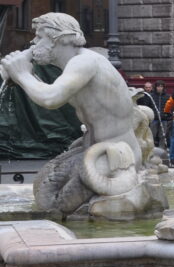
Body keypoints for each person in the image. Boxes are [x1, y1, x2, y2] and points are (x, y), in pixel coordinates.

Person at [0, 12, 143, 166]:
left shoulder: (84, 62)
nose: (33, 42)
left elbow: (50, 99)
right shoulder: (74, 66)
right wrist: (25, 74)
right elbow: (49, 92)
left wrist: (21, 74)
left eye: (40, 37)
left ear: (63, 38)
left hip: (116, 159)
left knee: (55, 186)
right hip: (98, 151)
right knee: (50, 180)